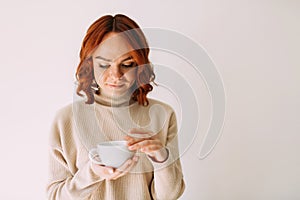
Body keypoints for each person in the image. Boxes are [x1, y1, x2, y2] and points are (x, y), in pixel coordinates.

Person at [47, 14, 185, 200]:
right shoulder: (66, 120)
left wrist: (162, 158)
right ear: (90, 64)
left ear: (140, 65)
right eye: (104, 64)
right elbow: (54, 196)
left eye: (127, 64)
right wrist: (92, 173)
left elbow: (170, 196)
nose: (116, 75)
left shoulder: (163, 115)